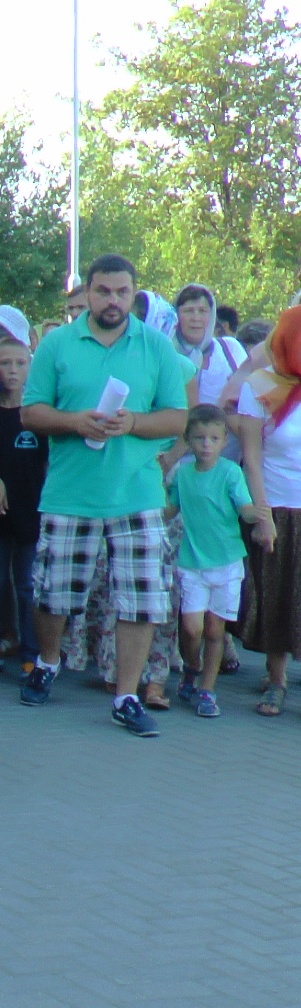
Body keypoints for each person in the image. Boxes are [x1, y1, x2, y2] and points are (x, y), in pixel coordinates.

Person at [16, 254, 192, 736]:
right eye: (103, 291)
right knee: (52, 594)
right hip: (70, 493)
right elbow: (30, 412)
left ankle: (126, 695)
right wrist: (76, 422)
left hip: (137, 493)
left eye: (122, 291)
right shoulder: (57, 344)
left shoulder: (156, 346)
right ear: (87, 293)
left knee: (140, 599)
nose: (112, 300)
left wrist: (132, 422)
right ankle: (47, 662)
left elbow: (177, 418)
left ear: (134, 294)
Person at [167, 404, 262, 720]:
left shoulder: (230, 472)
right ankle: (192, 667)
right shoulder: (183, 475)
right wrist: (150, 488)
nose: (206, 445)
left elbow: (244, 507)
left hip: (227, 565)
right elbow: (169, 510)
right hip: (192, 564)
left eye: (213, 438)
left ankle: (207, 690)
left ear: (224, 441)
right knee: (191, 628)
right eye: (199, 438)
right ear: (188, 440)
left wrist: (256, 515)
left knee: (214, 630)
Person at [233, 307, 301, 717]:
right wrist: (262, 517)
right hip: (278, 506)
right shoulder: (261, 385)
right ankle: (276, 681)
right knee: (278, 597)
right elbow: (252, 459)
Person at [0, 337, 46, 672]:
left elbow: (48, 461)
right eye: (5, 363)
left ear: (30, 366)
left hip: (31, 509)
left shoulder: (36, 412)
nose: (13, 370)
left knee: (27, 585)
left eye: (20, 363)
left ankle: (30, 651)